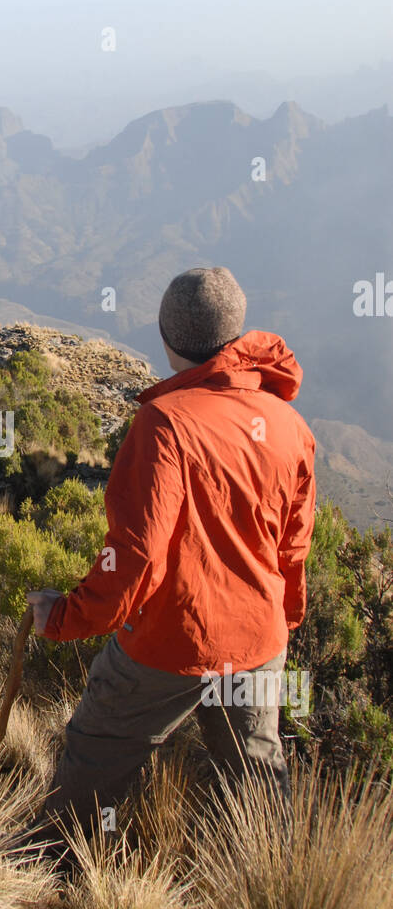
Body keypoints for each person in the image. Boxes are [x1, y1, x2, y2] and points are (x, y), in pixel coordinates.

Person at [26, 266, 316, 841]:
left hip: (168, 639)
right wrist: (277, 626)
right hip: (257, 639)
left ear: (165, 339)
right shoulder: (289, 424)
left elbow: (134, 558)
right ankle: (281, 898)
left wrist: (62, 617)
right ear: (234, 336)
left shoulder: (164, 424)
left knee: (96, 750)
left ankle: (50, 871)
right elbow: (293, 550)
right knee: (256, 778)